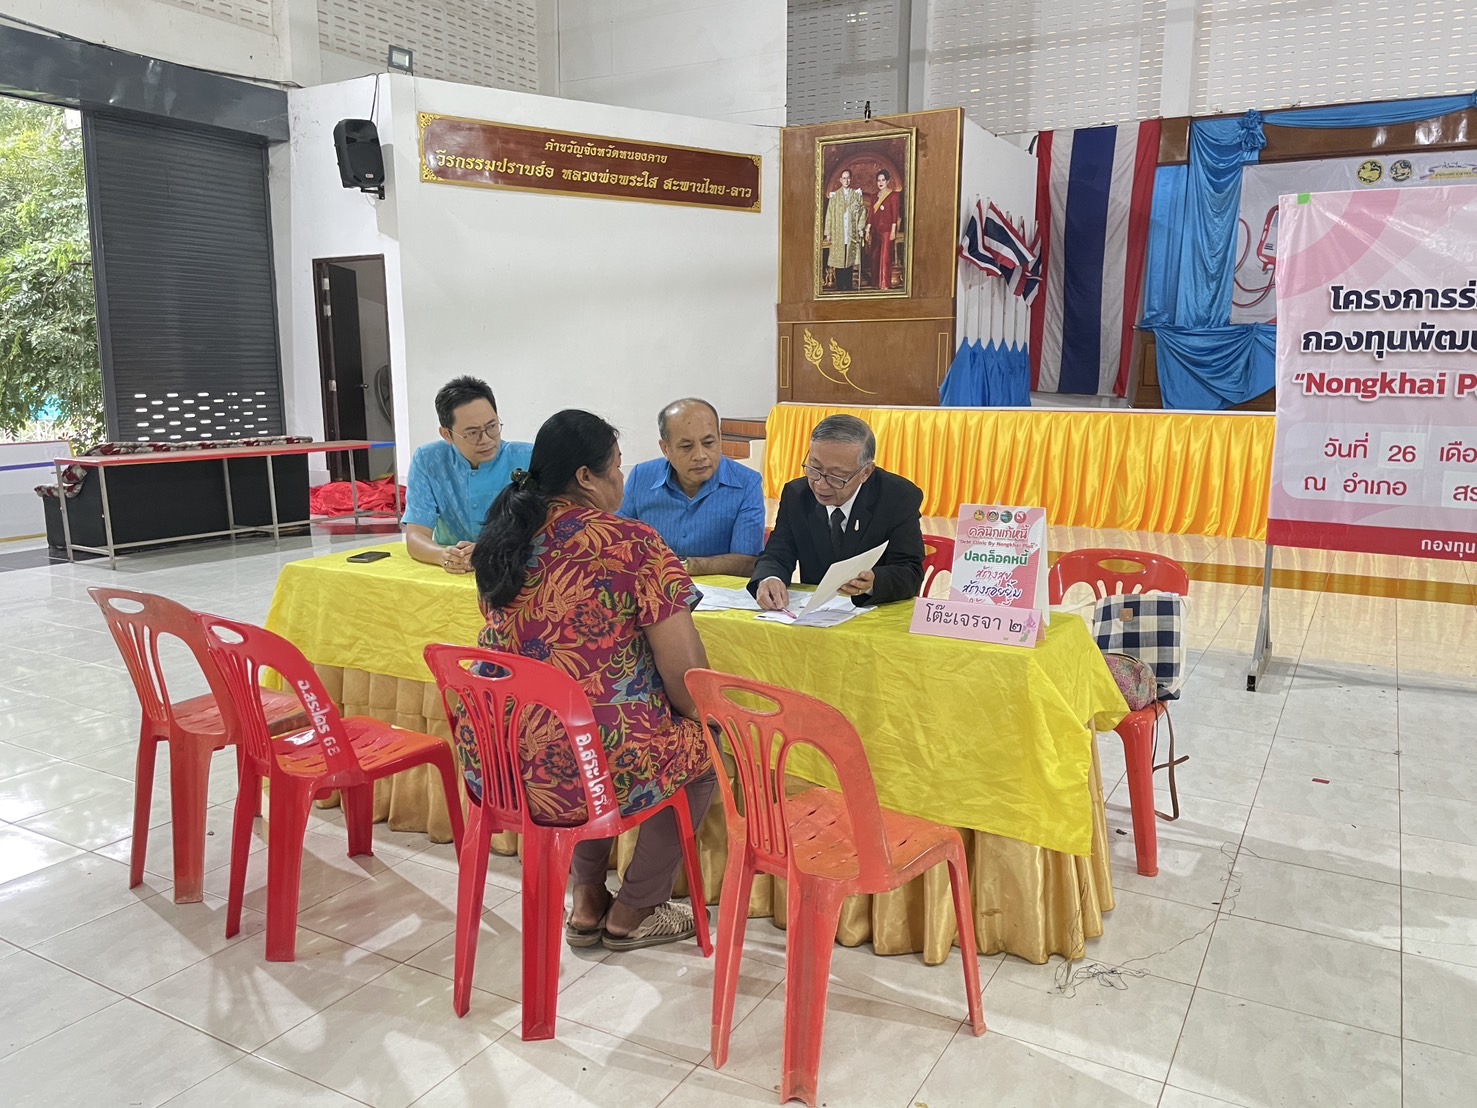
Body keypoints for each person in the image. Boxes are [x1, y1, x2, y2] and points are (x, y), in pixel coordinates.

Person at [471, 409, 716, 951]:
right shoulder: (633, 544)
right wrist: (703, 720)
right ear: (587, 477)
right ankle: (635, 909)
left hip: (504, 760)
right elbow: (686, 678)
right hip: (587, 766)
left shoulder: (501, 538)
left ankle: (586, 901)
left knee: (584, 726)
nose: (622, 480)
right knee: (704, 753)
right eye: (617, 467)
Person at [748, 414, 924, 609]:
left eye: (837, 476)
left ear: (865, 472)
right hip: (813, 616)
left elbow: (910, 571)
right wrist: (769, 578)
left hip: (874, 614)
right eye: (814, 468)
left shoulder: (898, 497)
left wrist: (874, 582)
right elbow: (777, 555)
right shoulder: (797, 495)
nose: (821, 485)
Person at [620, 398, 764, 578]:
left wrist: (682, 566)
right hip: (651, 592)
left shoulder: (747, 483)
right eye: (686, 446)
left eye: (709, 443)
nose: (700, 455)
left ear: (719, 438)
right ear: (666, 448)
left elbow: (747, 562)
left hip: (719, 597)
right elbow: (619, 542)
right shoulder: (641, 477)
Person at [402, 376, 533, 574]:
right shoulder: (429, 460)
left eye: (492, 426)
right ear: (447, 435)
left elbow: (549, 532)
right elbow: (416, 535)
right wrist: (443, 555)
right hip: (453, 576)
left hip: (515, 570)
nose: (486, 440)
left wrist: (488, 553)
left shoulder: (527, 457)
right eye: (472, 433)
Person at [822, 168, 866, 291]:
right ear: (840, 180)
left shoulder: (856, 195)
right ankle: (840, 285)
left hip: (851, 232)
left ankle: (849, 285)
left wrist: (860, 227)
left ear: (850, 179)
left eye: (848, 177)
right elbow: (829, 214)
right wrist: (828, 232)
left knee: (849, 259)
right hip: (838, 232)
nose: (846, 180)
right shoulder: (835, 196)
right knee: (839, 259)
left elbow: (862, 211)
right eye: (844, 178)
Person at [864, 169, 903, 290]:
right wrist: (867, 229)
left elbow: (895, 214)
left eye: (883, 180)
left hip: (887, 230)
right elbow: (871, 214)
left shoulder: (893, 195)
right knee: (875, 256)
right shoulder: (874, 196)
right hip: (875, 229)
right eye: (879, 180)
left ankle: (885, 284)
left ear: (887, 181)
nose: (880, 182)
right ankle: (876, 283)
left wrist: (893, 231)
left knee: (885, 257)